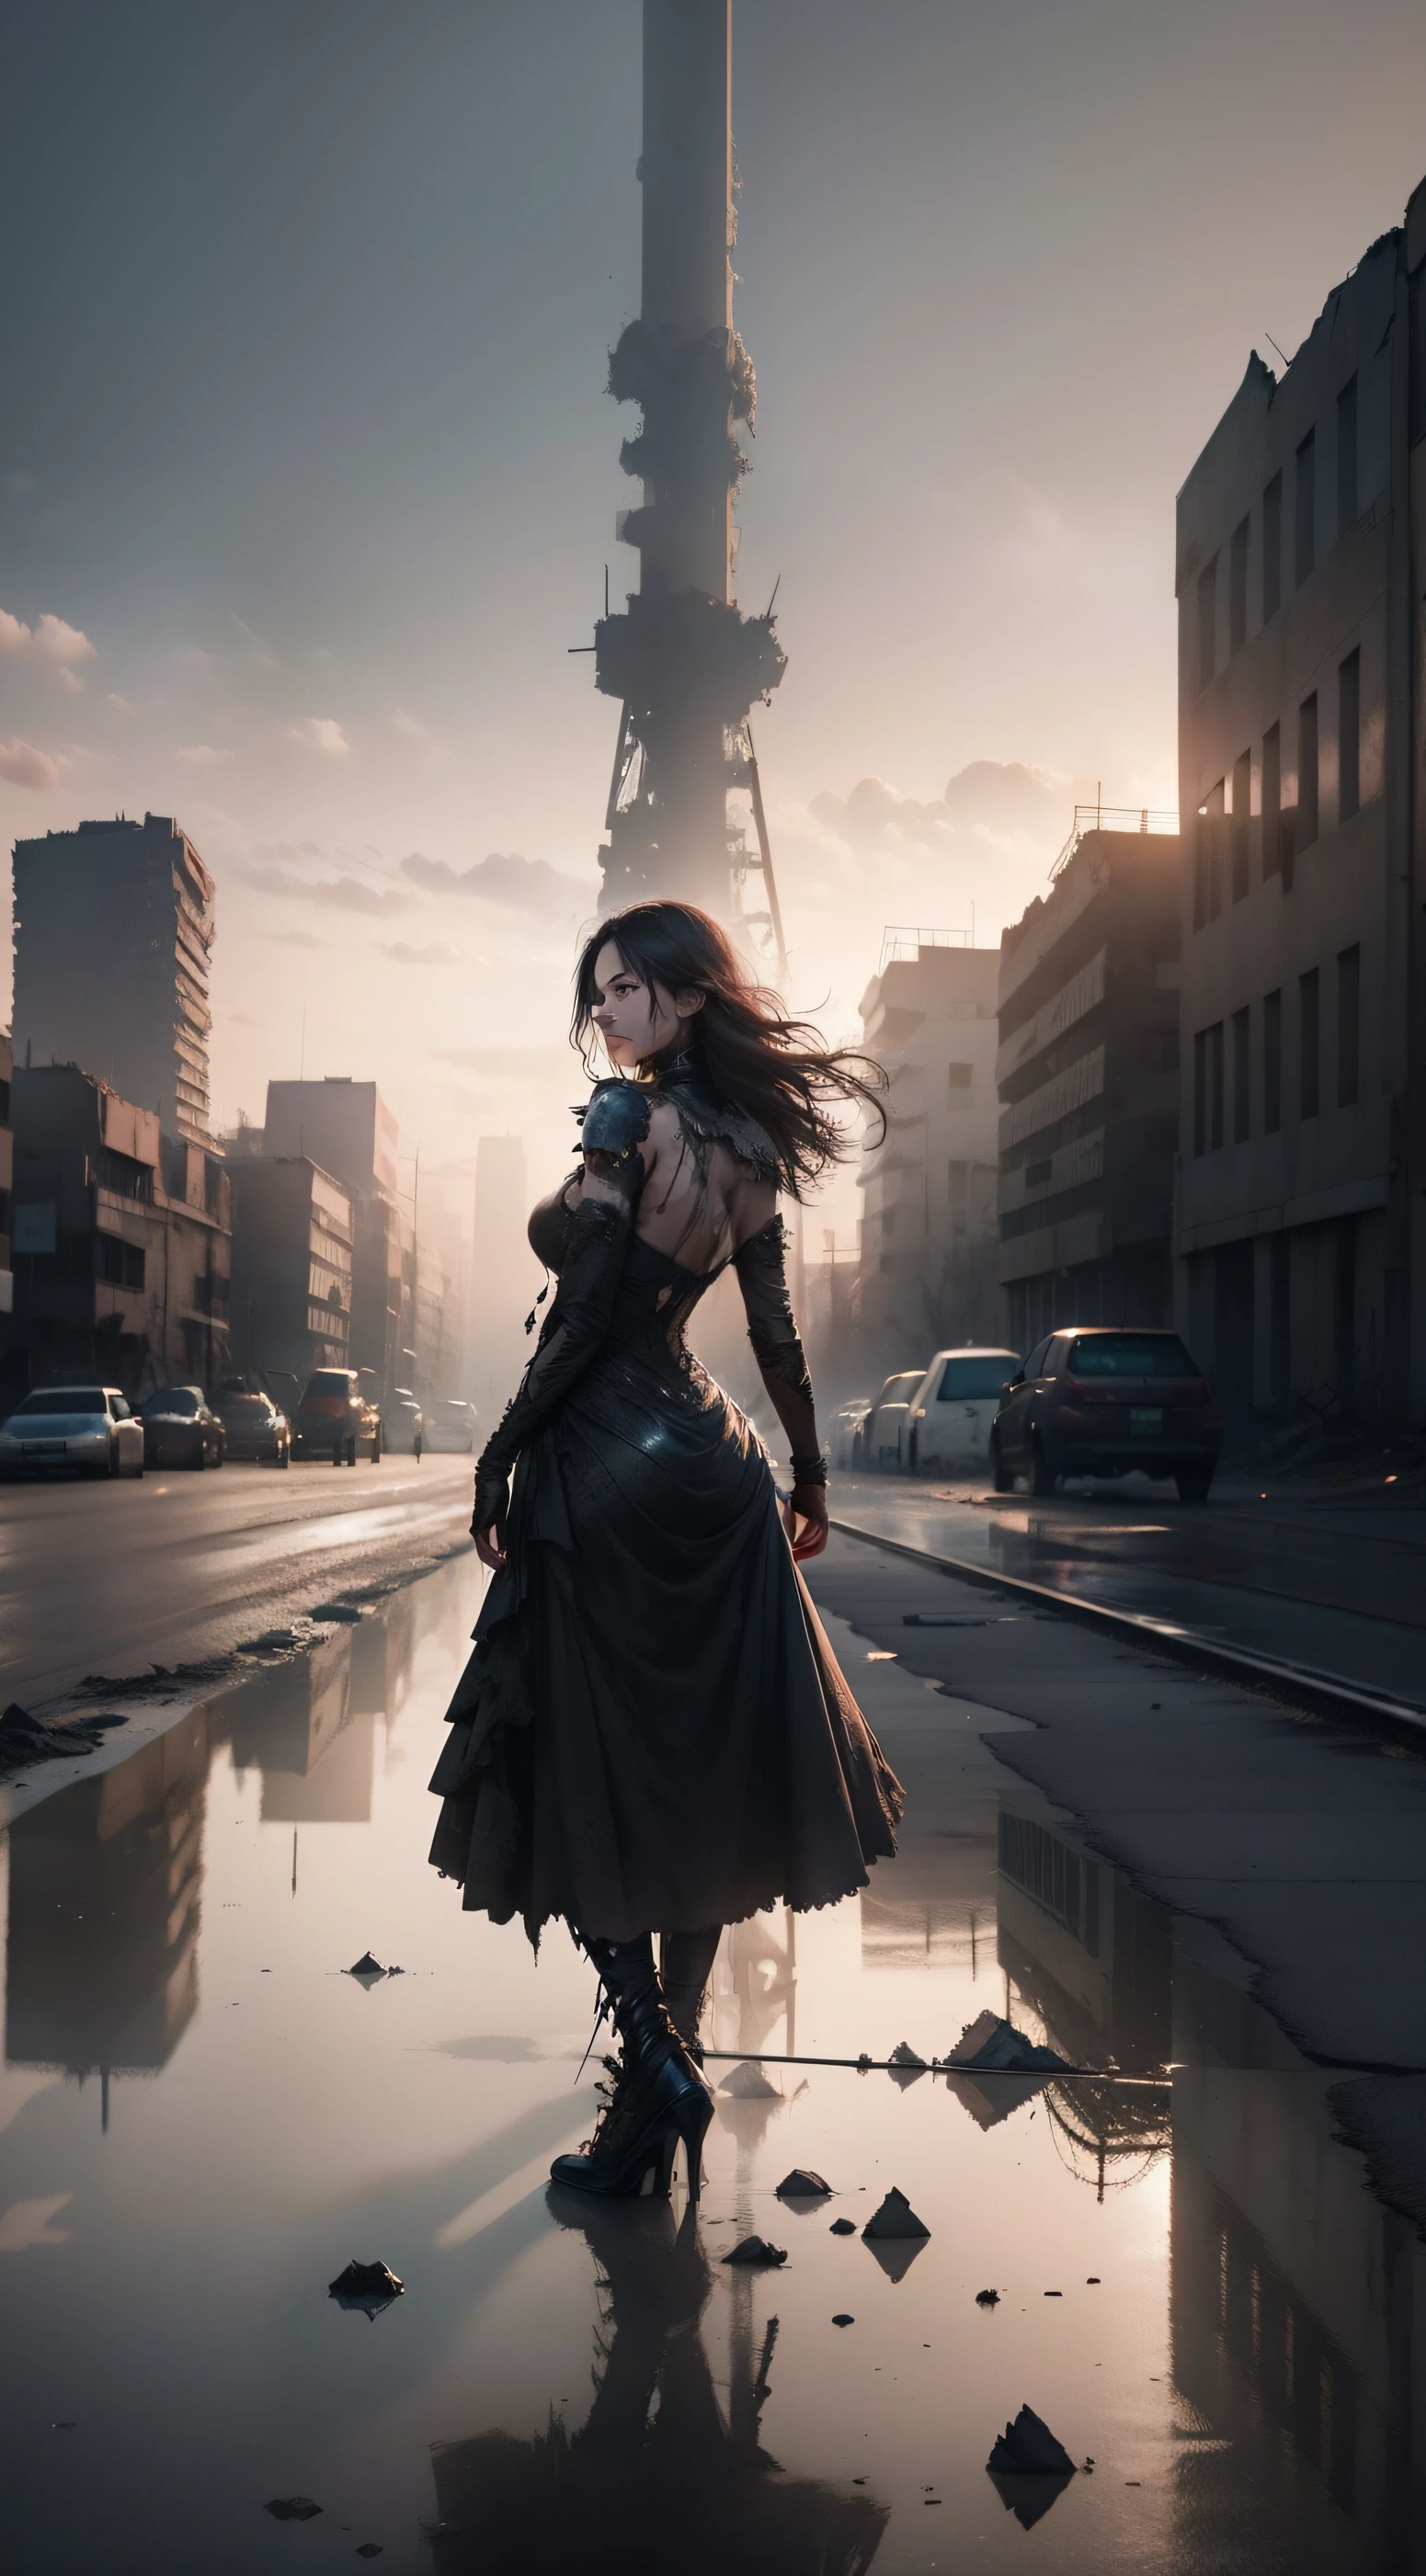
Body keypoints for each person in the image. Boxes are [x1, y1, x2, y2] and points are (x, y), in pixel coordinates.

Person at [428, 900, 905, 2202]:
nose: (607, 1011)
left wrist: (499, 1451)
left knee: (573, 1762)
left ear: (690, 997)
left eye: (628, 988)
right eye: (597, 992)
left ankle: (655, 2052)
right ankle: (651, 2104)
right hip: (714, 1462)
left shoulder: (621, 1120)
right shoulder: (748, 1145)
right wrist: (806, 1474)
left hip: (601, 1465)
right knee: (693, 1789)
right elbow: (777, 1337)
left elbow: (580, 1321)